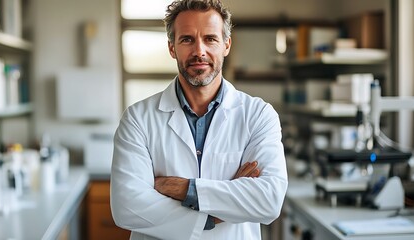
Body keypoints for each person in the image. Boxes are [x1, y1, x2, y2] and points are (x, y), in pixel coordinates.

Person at [110, 0, 288, 239]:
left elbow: (269, 200)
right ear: (172, 48)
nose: (199, 51)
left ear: (226, 44)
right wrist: (215, 215)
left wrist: (182, 188)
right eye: (187, 39)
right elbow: (127, 207)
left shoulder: (258, 115)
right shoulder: (138, 119)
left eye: (210, 39)